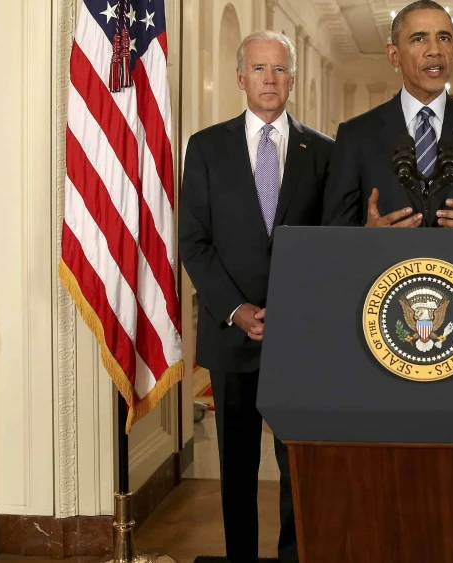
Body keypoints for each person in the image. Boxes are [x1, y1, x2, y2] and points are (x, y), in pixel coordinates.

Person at [178, 30, 333, 563]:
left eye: (281, 69)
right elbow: (193, 243)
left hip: (301, 337)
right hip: (232, 331)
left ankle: (295, 555)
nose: (271, 79)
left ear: (292, 79)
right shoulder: (206, 147)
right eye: (260, 69)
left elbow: (331, 245)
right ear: (241, 78)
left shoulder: (324, 153)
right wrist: (237, 311)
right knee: (236, 463)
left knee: (299, 465)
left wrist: (298, 310)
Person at [321, 0, 453, 229]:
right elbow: (333, 233)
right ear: (394, 55)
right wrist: (366, 240)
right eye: (419, 38)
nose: (435, 50)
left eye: (444, 38)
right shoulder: (354, 135)